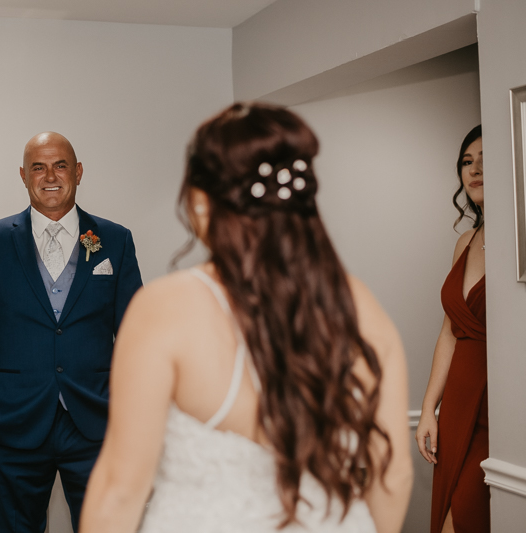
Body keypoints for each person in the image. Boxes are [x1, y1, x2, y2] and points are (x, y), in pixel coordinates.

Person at [80, 103, 412, 533]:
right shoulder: (356, 305)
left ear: (200, 203)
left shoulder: (166, 310)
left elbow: (119, 491)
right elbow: (393, 476)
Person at [0, 131, 143, 533]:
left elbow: (137, 339)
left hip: (96, 422)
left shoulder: (115, 240)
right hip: (16, 422)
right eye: (38, 167)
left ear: (79, 172)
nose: (50, 175)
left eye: (60, 165)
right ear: (23, 175)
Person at [416, 125, 488, 533]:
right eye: (467, 161)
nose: (475, 169)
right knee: (447, 517)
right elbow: (449, 333)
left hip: (499, 407)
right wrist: (429, 409)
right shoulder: (465, 241)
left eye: (485, 160)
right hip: (457, 406)